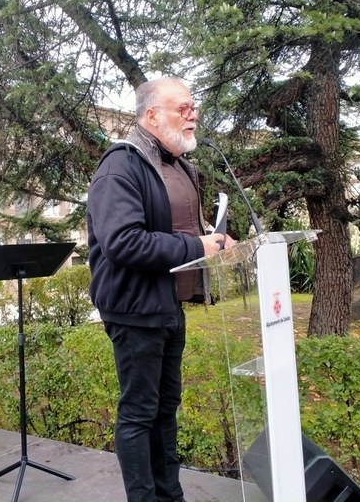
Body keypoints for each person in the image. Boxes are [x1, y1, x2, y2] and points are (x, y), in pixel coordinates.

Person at [87, 77, 232, 502]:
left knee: (166, 410)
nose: (193, 114)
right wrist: (196, 245)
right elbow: (123, 242)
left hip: (169, 304)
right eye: (182, 108)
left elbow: (171, 229)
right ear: (151, 116)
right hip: (134, 309)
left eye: (194, 107)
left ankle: (171, 495)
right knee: (138, 414)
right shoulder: (121, 165)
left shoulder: (177, 165)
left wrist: (213, 239)